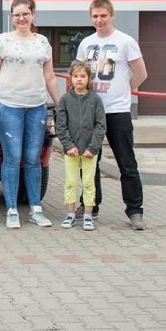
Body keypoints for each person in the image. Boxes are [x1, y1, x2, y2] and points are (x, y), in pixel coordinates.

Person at [0, 0, 61, 229]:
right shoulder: (3, 42)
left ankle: (35, 208)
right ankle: (12, 209)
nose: (21, 18)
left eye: (25, 14)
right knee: (12, 158)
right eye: (17, 15)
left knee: (33, 159)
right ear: (11, 17)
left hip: (36, 107)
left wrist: (61, 104)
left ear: (32, 15)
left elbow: (49, 76)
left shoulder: (42, 43)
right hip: (9, 106)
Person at [77, 0, 149, 231]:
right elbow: (78, 73)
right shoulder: (86, 43)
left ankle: (135, 210)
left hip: (117, 111)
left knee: (126, 163)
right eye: (95, 16)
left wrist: (122, 92)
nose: (99, 20)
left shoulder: (125, 41)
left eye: (103, 16)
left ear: (111, 16)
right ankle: (90, 206)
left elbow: (140, 74)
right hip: (91, 112)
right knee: (89, 163)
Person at [56, 60, 106, 231]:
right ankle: (70, 214)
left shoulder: (96, 100)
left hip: (89, 151)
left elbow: (100, 125)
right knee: (70, 182)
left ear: (89, 78)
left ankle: (88, 215)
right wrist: (68, 145)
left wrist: (93, 147)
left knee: (88, 183)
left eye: (83, 76)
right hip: (71, 151)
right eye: (75, 76)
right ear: (70, 78)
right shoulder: (64, 100)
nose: (79, 79)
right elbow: (60, 125)